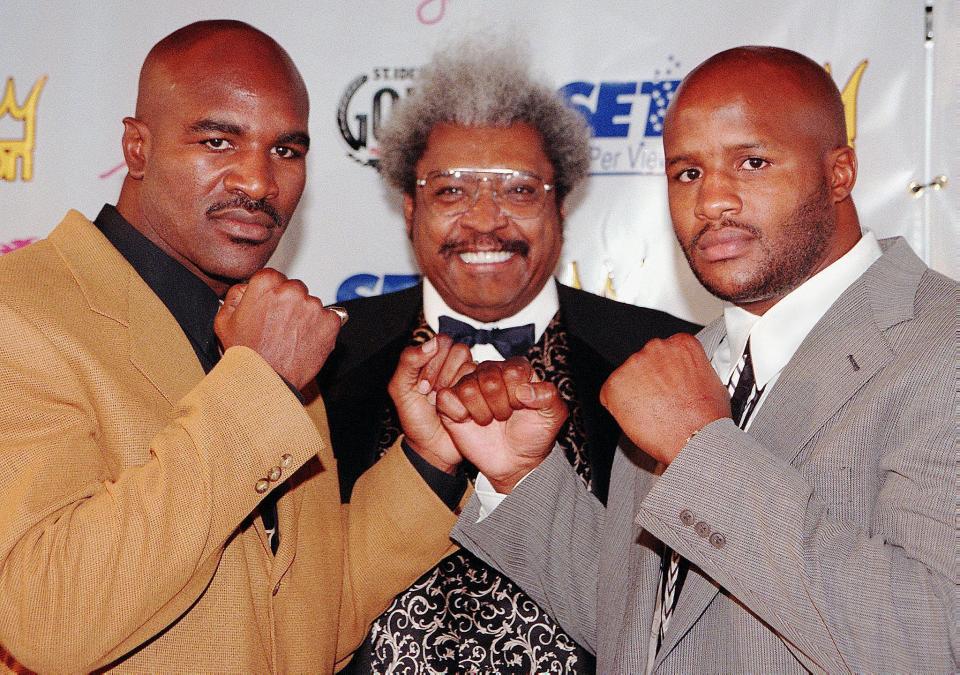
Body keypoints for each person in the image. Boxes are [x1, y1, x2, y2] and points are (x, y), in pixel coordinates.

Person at [434, 46, 956, 673]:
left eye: (752, 162)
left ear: (840, 172)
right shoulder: (687, 367)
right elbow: (649, 629)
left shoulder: (938, 345)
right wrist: (520, 480)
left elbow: (931, 640)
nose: (713, 202)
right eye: (687, 174)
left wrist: (700, 448)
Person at [0, 21, 470, 673]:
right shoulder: (19, 311)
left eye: (287, 150)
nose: (257, 182)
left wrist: (428, 461)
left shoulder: (264, 328)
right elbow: (49, 620)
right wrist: (261, 386)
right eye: (218, 140)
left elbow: (304, 619)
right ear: (137, 147)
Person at [318, 42, 698, 674]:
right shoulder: (326, 361)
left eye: (519, 191)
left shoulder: (666, 359)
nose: (485, 221)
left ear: (561, 206)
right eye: (451, 192)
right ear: (409, 207)